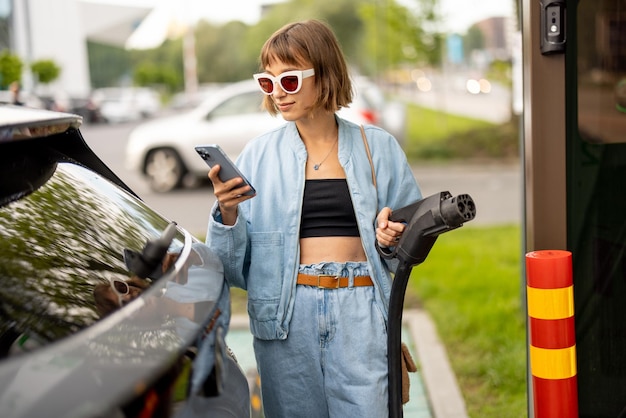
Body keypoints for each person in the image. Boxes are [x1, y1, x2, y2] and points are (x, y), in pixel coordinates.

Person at [206, 19, 422, 417]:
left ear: (324, 76)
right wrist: (228, 213)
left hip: (361, 311)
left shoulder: (379, 149)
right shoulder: (257, 156)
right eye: (268, 83)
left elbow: (411, 247)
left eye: (289, 81)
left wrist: (393, 238)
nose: (278, 94)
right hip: (286, 319)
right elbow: (234, 270)